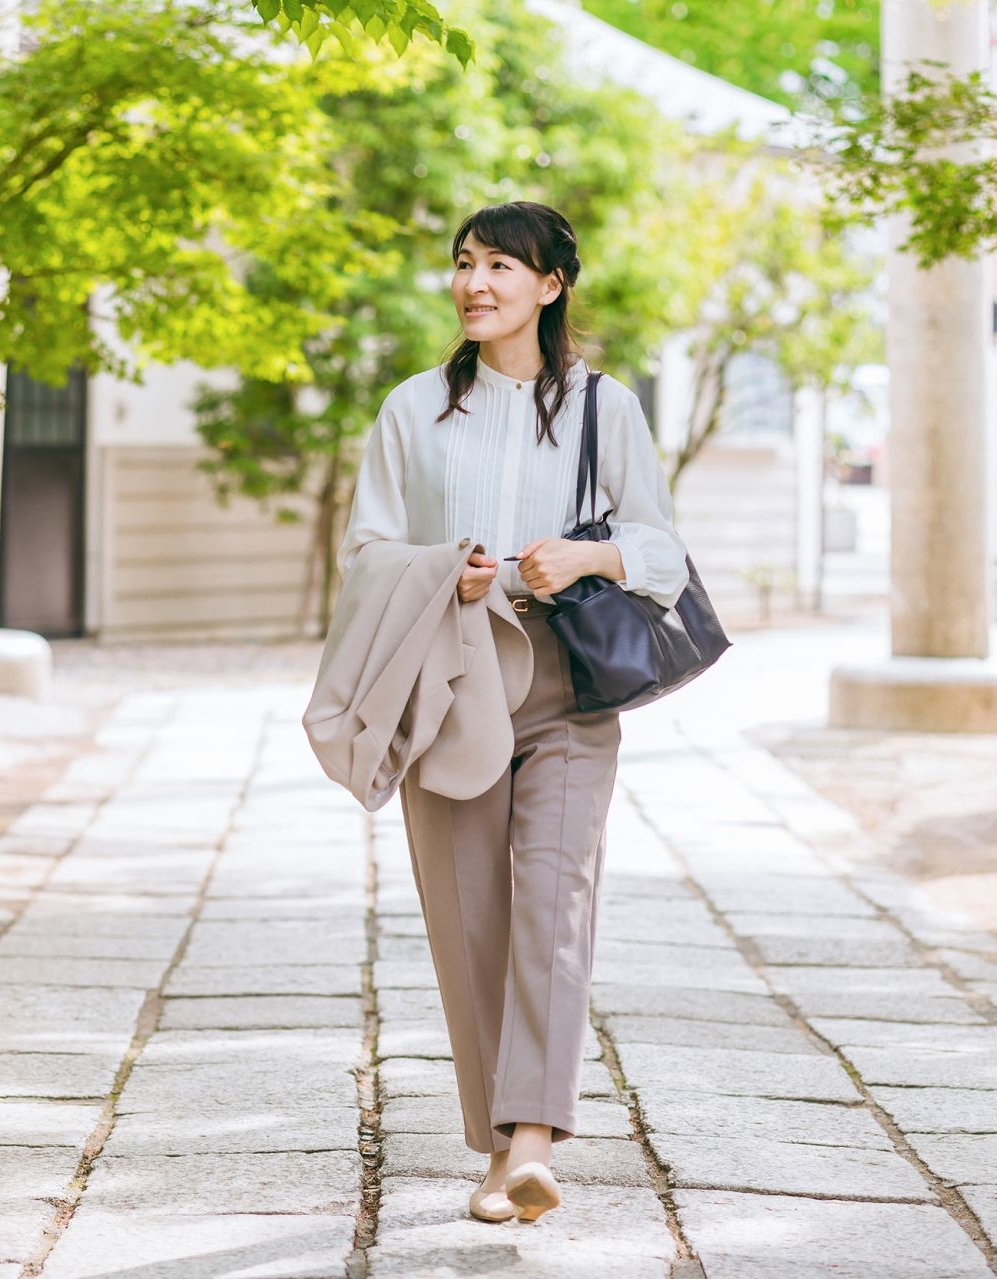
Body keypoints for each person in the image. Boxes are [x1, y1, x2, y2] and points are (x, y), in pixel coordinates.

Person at [335, 201, 689, 1223]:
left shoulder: (602, 408)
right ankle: (498, 1148)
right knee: (468, 918)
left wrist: (585, 554)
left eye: (500, 265)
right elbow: (364, 553)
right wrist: (444, 571)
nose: (475, 283)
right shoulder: (412, 409)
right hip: (447, 683)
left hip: (569, 686)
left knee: (553, 900)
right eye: (464, 263)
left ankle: (532, 1139)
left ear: (552, 285)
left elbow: (660, 547)